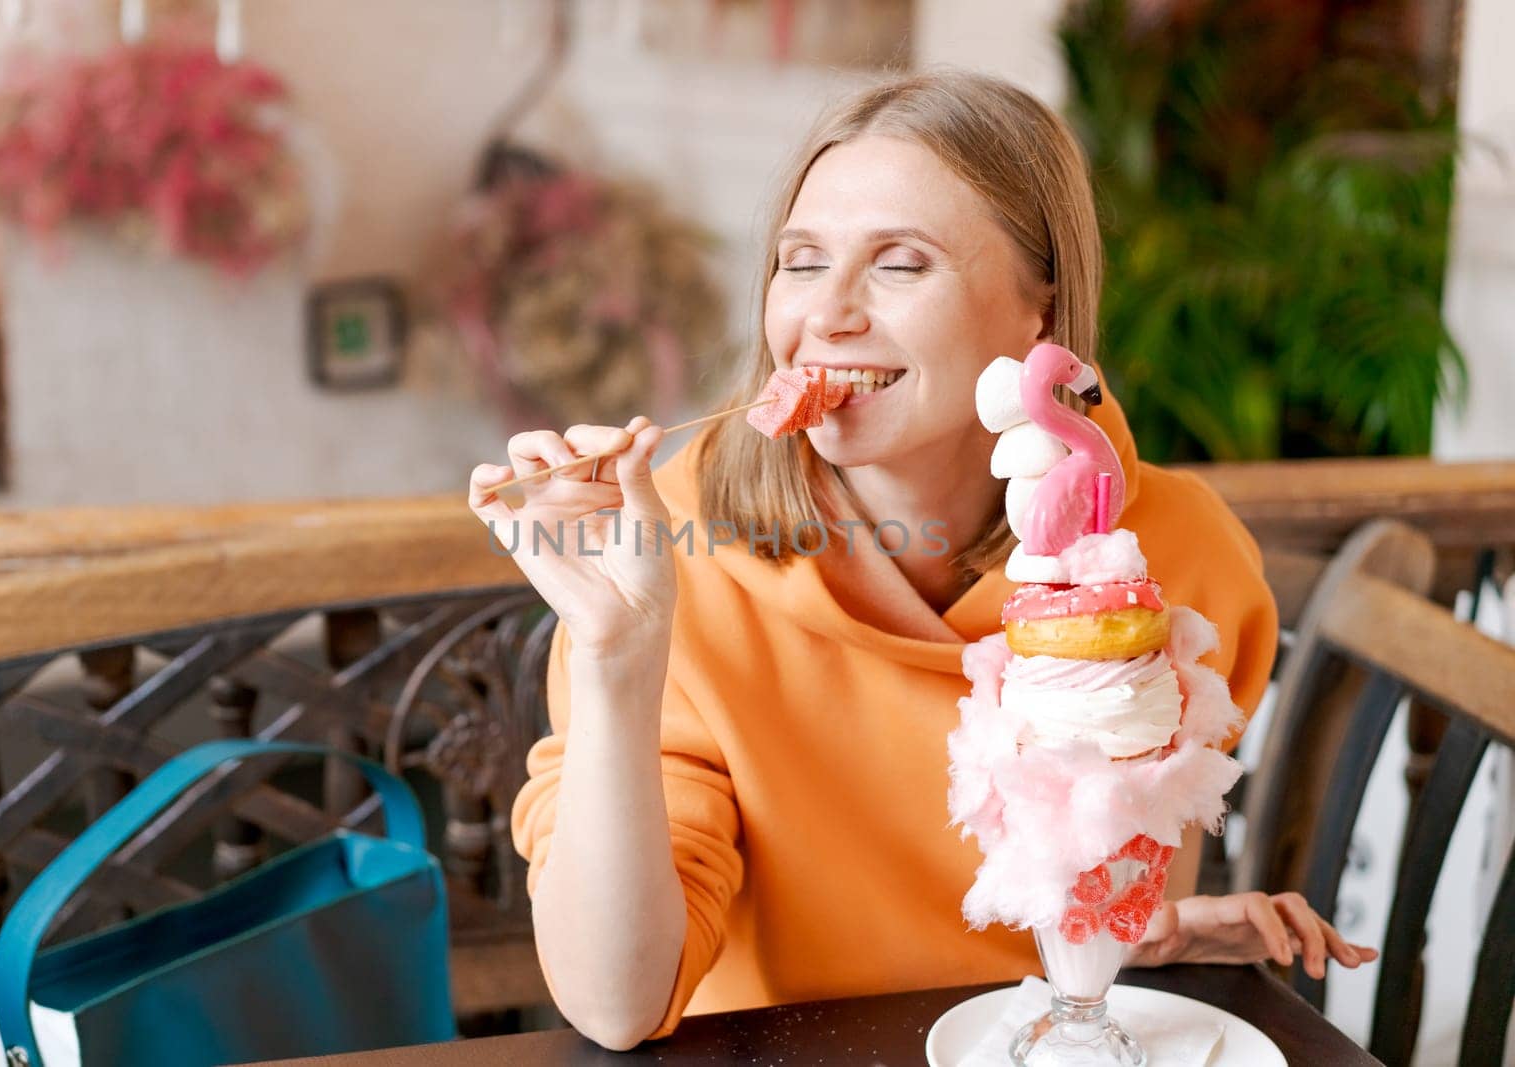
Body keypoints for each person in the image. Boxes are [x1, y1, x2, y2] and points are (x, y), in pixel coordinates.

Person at [468, 70, 1376, 1051]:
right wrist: (613, 652)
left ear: (1042, 306)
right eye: (800, 261)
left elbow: (1102, 890)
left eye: (899, 264)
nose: (827, 314)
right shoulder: (670, 549)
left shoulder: (1179, 553)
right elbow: (614, 1002)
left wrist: (1147, 942)